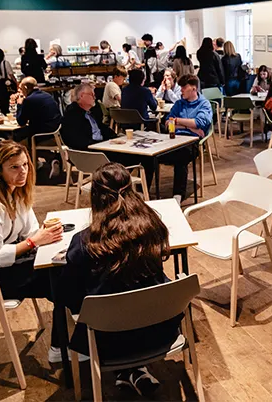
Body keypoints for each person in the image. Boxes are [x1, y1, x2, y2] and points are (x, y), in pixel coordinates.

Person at [55, 163, 179, 395]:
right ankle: (133, 371)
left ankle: (128, 371)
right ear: (132, 192)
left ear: (95, 197)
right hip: (159, 330)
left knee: (94, 303)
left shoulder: (84, 243)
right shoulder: (154, 228)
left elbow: (65, 295)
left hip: (107, 340)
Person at [0, 140, 74, 364]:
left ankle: (72, 338)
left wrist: (43, 236)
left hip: (9, 264)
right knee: (61, 279)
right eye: (14, 167)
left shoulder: (16, 193)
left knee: (66, 270)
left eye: (25, 165)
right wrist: (33, 242)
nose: (23, 172)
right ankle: (62, 347)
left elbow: (31, 231)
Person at [161, 74, 212, 204]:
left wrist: (177, 121)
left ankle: (177, 195)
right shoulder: (179, 104)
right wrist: (189, 126)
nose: (181, 89)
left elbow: (199, 123)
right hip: (174, 138)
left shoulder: (204, 104)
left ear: (194, 88)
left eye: (184, 87)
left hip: (192, 142)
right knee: (151, 155)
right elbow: (167, 122)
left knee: (181, 156)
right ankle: (142, 190)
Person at [61, 83, 115, 151]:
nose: (94, 98)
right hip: (92, 151)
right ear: (82, 96)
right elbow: (77, 141)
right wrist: (103, 144)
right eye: (92, 95)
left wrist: (115, 138)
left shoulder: (90, 112)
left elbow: (101, 127)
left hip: (101, 145)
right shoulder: (72, 115)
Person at [0, 48, 17, 115]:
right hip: (6, 85)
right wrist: (16, 83)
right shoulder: (5, 63)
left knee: (1, 102)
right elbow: (11, 75)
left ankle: (3, 114)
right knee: (9, 102)